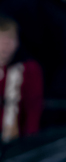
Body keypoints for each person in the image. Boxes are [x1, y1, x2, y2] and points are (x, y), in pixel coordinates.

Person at [0, 15, 43, 145]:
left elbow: (33, 109)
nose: (6, 43)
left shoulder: (28, 70)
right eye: (1, 38)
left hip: (14, 143)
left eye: (11, 38)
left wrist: (29, 143)